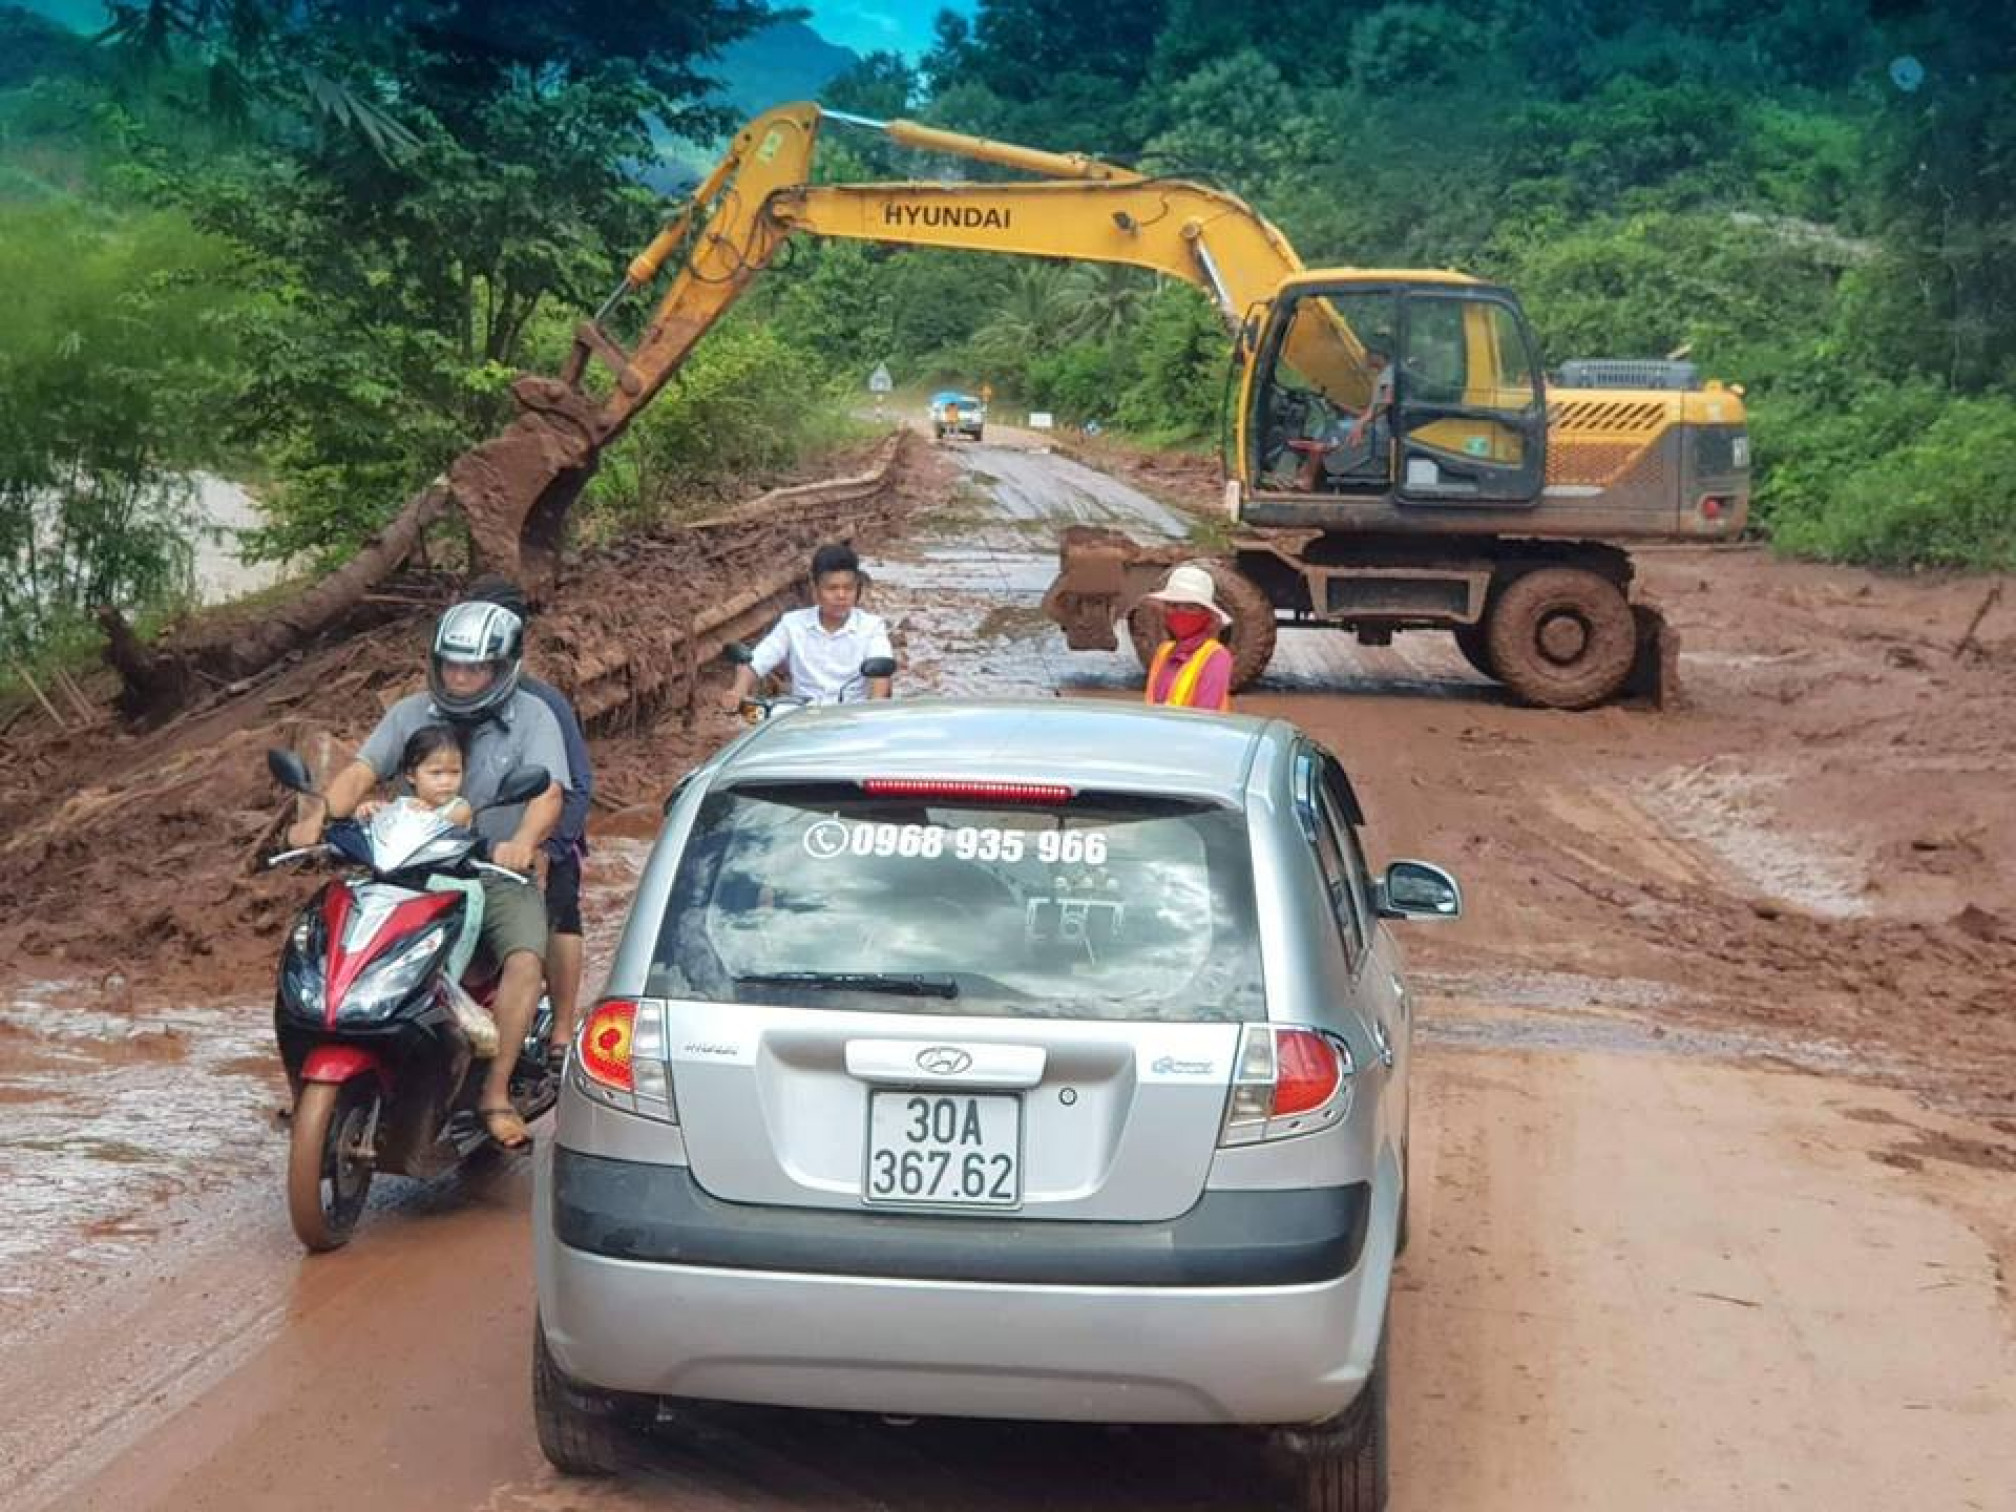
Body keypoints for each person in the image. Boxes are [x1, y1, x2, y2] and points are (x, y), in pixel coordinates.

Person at [286, 600, 570, 1149]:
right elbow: (361, 772)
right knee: (329, 936)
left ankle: (493, 1093)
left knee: (524, 959)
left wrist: (523, 844)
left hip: (489, 871)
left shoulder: (534, 717)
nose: (461, 678)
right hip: (405, 866)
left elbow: (548, 795)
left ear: (504, 667)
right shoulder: (412, 713)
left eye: (476, 668)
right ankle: (325, 1074)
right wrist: (318, 821)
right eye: (451, 666)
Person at [464, 574, 593, 1061]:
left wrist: (548, 848)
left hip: (542, 834)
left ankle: (560, 1032)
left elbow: (578, 782)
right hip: (471, 840)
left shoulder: (543, 704)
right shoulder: (449, 699)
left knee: (561, 910)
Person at [722, 542, 894, 710]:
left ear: (858, 588)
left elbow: (880, 674)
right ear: (815, 589)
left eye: (848, 588)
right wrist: (737, 691)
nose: (841, 595)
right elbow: (757, 661)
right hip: (801, 716)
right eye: (832, 588)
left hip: (852, 718)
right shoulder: (792, 624)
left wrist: (873, 710)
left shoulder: (872, 626)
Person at [1141, 563, 1235, 713]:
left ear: (1207, 615)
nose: (1180, 613)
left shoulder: (1216, 657)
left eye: (1190, 607)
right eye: (1173, 606)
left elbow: (1205, 716)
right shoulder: (1163, 652)